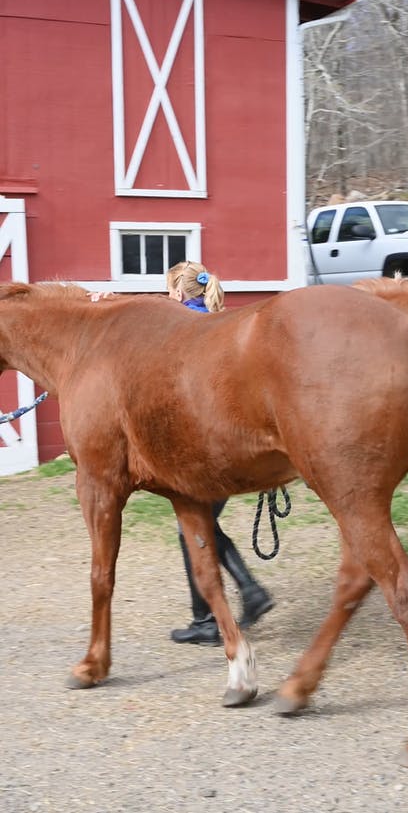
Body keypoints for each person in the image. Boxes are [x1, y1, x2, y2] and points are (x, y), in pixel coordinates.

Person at [166, 260, 274, 645]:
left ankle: (229, 605)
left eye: (168, 293)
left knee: (193, 528)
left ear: (177, 294)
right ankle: (222, 608)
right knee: (197, 526)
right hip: (231, 445)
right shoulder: (220, 326)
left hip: (203, 451)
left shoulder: (179, 334)